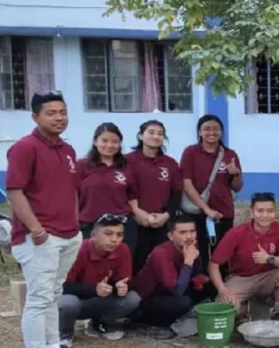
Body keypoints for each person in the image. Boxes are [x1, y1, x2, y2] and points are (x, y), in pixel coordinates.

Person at [7, 91, 82, 348]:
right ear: (35, 117)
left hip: (69, 235)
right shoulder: (25, 148)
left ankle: (52, 343)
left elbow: (71, 190)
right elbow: (14, 191)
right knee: (39, 298)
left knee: (53, 294)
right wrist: (36, 229)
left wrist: (75, 224)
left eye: (63, 112)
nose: (59, 118)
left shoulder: (68, 149)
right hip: (40, 237)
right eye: (51, 113)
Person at [209, 192, 279, 321]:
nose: (265, 215)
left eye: (270, 211)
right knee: (224, 308)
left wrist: (269, 258)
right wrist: (222, 289)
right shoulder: (236, 233)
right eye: (260, 211)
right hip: (241, 279)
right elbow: (214, 263)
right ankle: (244, 310)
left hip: (268, 276)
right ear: (252, 213)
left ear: (275, 212)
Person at [58, 214, 141, 346]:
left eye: (119, 235)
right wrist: (93, 289)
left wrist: (120, 288)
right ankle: (65, 332)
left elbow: (123, 280)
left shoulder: (123, 250)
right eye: (108, 234)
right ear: (93, 235)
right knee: (67, 302)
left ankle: (99, 324)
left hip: (99, 300)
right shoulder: (79, 249)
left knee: (133, 298)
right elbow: (63, 286)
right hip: (77, 301)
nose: (115, 239)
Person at [132, 214, 216, 339]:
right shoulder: (161, 253)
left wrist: (196, 263)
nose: (189, 236)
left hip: (175, 289)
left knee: (211, 285)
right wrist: (188, 261)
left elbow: (197, 273)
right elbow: (176, 290)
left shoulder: (191, 245)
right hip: (149, 300)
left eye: (192, 231)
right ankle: (159, 323)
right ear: (171, 236)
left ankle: (191, 314)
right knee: (183, 302)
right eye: (182, 232)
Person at [180, 114, 243, 260]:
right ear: (199, 132)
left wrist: (236, 174)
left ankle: (220, 281)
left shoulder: (229, 154)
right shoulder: (190, 152)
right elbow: (187, 184)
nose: (212, 132)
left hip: (223, 212)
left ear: (221, 131)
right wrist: (206, 209)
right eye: (207, 129)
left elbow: (237, 187)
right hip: (196, 211)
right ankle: (200, 281)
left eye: (216, 129)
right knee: (197, 253)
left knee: (221, 253)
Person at [126, 120, 183, 274]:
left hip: (162, 222)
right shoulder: (127, 161)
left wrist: (166, 215)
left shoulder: (170, 163)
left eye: (160, 133)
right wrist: (136, 212)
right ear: (140, 135)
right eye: (151, 132)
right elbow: (122, 190)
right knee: (134, 262)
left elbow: (177, 193)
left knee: (162, 263)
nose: (156, 136)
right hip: (135, 222)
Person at [76, 123, 139, 252]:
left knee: (122, 267)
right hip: (89, 226)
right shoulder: (82, 166)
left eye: (115, 142)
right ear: (95, 141)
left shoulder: (126, 167)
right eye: (104, 141)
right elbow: (72, 196)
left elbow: (132, 196)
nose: (109, 145)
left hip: (122, 227)